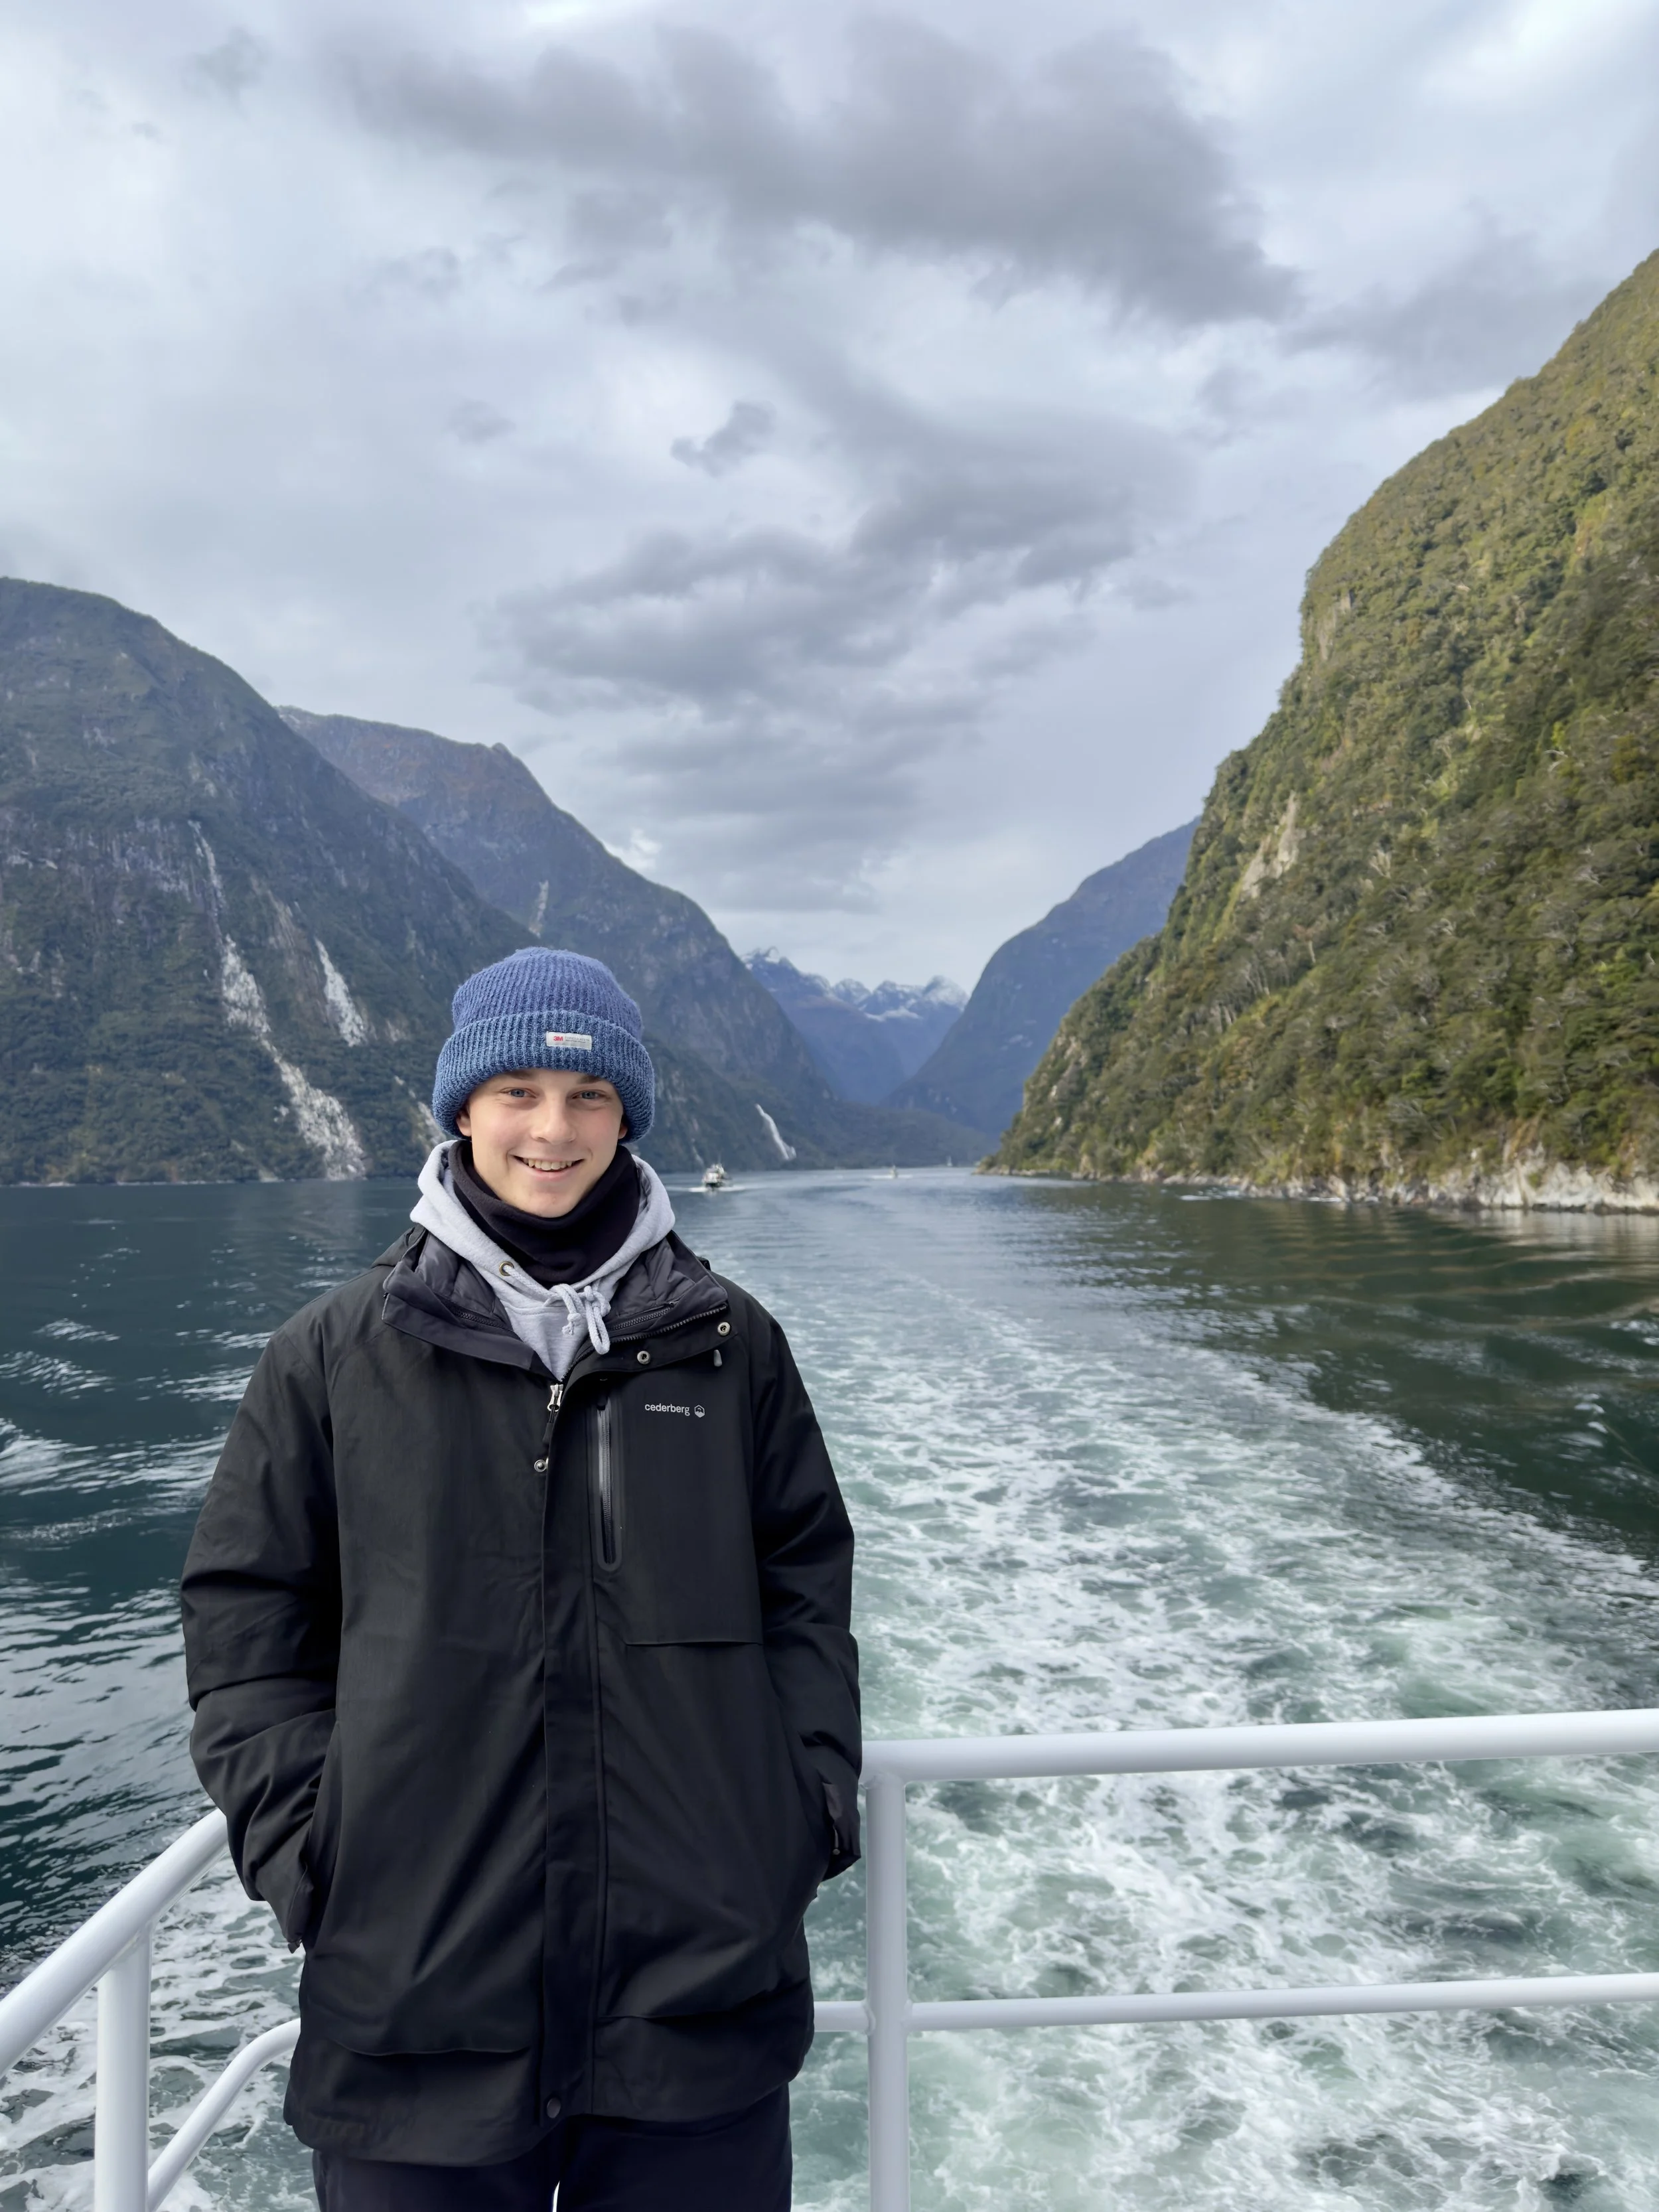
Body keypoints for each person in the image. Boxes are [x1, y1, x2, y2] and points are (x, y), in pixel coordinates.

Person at [180, 948, 861, 2212]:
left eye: (590, 1096)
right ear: (461, 1110)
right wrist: (312, 1851)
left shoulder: (729, 1347)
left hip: (694, 2000)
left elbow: (806, 1582)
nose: (553, 1129)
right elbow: (246, 1621)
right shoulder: (329, 1358)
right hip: (415, 2002)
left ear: (629, 1117)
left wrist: (803, 1807)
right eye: (519, 1091)